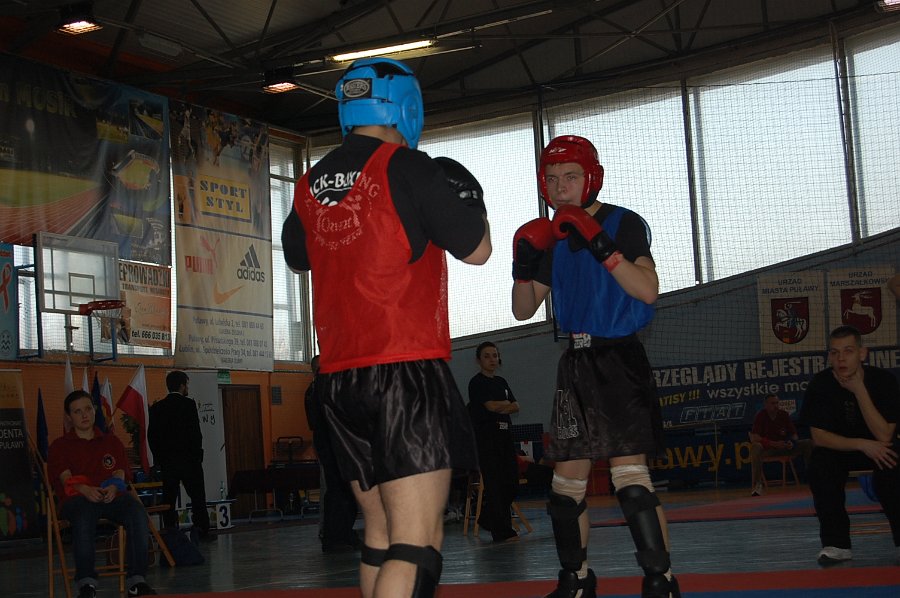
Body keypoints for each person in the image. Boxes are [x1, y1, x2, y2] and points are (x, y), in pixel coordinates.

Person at [281, 56, 491, 598]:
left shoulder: (308, 183)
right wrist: (473, 202)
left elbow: (298, 257)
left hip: (338, 381)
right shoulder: (410, 167)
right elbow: (477, 250)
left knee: (378, 534)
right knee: (416, 542)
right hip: (404, 371)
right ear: (406, 105)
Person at [511, 135, 679, 598]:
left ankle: (660, 580)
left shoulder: (623, 222)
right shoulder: (553, 237)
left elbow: (648, 290)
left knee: (631, 482)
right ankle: (577, 579)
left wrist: (603, 245)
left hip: (619, 357)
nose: (560, 186)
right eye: (551, 179)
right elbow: (523, 310)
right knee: (565, 489)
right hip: (575, 365)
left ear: (591, 178)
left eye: (570, 176)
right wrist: (522, 267)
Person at [798, 325, 900, 566]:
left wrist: (859, 390)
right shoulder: (820, 384)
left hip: (881, 447)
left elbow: (884, 434)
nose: (841, 359)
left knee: (892, 465)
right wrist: (862, 444)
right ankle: (837, 544)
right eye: (834, 353)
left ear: (862, 354)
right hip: (842, 450)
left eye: (848, 351)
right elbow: (819, 437)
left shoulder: (884, 381)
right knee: (820, 465)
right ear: (829, 356)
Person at [47, 390, 157, 597]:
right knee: (84, 514)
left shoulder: (111, 442)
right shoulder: (59, 446)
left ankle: (137, 582)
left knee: (137, 511)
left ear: (95, 410)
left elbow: (120, 472)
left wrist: (114, 486)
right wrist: (85, 489)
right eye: (77, 411)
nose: (84, 415)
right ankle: (86, 584)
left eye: (88, 409)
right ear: (68, 417)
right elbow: (65, 478)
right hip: (77, 499)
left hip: (111, 496)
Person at [305, 355, 361, 552]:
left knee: (342, 490)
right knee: (338, 490)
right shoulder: (324, 385)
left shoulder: (315, 388)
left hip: (332, 441)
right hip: (333, 442)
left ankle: (342, 533)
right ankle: (335, 536)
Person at [147, 370, 211, 540]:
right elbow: (195, 434)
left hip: (168, 462)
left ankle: (170, 531)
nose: (187, 388)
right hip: (189, 461)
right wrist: (197, 456)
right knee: (197, 496)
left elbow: (152, 436)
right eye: (187, 384)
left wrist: (160, 459)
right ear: (182, 385)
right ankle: (201, 530)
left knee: (169, 499)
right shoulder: (188, 405)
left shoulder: (157, 408)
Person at [467, 341, 520, 542]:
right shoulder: (476, 383)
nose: (492, 359)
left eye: (495, 355)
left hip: (505, 437)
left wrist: (503, 405)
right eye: (487, 356)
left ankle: (487, 518)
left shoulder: (502, 382)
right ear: (479, 360)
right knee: (495, 484)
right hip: (487, 439)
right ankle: (502, 531)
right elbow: (490, 407)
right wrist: (504, 405)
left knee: (511, 482)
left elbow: (516, 406)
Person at [748, 393, 812, 496]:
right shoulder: (760, 416)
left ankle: (812, 477)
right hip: (768, 450)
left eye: (777, 403)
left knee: (808, 443)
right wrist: (773, 443)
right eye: (773, 403)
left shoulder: (784, 414)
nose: (776, 406)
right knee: (756, 446)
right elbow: (754, 437)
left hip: (784, 447)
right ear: (766, 405)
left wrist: (791, 442)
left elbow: (794, 435)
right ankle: (757, 485)